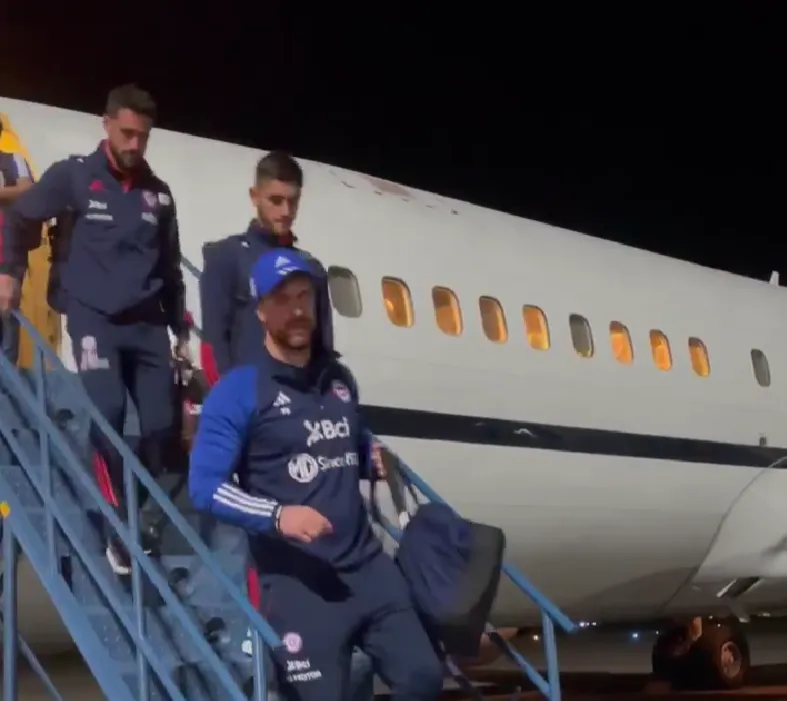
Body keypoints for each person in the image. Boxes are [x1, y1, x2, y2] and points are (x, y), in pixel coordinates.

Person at [189, 249, 444, 701]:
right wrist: (278, 515)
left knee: (423, 676)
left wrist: (372, 457)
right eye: (283, 299)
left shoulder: (338, 379)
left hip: (368, 570)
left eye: (304, 296)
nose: (298, 309)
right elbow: (204, 487)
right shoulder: (239, 391)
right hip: (300, 586)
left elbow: (348, 441)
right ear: (262, 311)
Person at [0, 84, 190, 574]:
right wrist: (9, 274)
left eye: (142, 137)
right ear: (105, 124)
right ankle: (116, 528)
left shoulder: (159, 195)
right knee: (106, 415)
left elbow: (169, 268)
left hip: (147, 325)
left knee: (162, 427)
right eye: (126, 133)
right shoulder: (74, 177)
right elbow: (20, 217)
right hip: (93, 319)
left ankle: (144, 517)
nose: (134, 144)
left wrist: (179, 330)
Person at [199, 151, 333, 384]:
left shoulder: (311, 269)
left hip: (299, 405)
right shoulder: (226, 256)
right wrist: (227, 404)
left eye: (293, 202)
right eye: (276, 200)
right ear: (255, 196)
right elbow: (213, 345)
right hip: (247, 403)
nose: (286, 212)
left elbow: (324, 346)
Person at [0, 122, 34, 364]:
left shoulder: (13, 158)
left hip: (7, 252)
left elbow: (27, 188)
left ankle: (7, 389)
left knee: (6, 315)